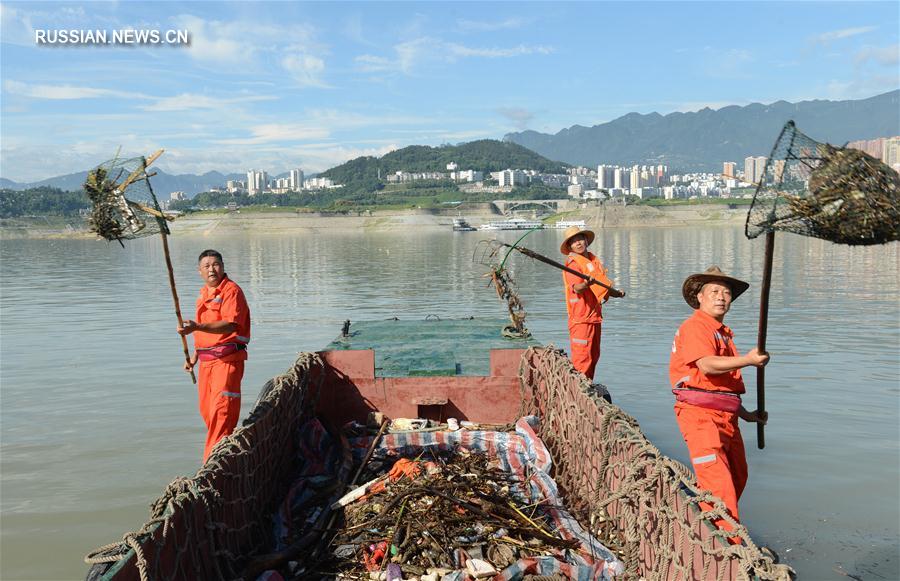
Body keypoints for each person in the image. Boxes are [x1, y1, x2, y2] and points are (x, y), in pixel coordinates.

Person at [669, 266, 768, 531]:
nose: (722, 297)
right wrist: (748, 360)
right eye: (714, 291)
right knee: (718, 486)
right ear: (700, 297)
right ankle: (731, 550)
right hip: (701, 419)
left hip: (727, 418)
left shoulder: (721, 331)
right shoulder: (695, 327)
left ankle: (713, 526)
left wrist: (747, 414)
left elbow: (720, 386)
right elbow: (708, 366)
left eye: (726, 293)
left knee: (738, 476)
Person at [178, 249, 251, 460]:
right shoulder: (203, 294)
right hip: (206, 364)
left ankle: (211, 466)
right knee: (208, 414)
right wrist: (194, 356)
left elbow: (229, 325)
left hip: (226, 361)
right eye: (207, 266)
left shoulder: (231, 291)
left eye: (216, 264)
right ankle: (224, 457)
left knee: (222, 413)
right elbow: (202, 333)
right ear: (199, 271)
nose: (212, 269)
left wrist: (197, 326)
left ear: (223, 266)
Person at [560, 226, 613, 381]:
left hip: (594, 316)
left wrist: (614, 293)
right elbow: (577, 288)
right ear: (570, 246)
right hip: (580, 319)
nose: (578, 243)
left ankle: (587, 386)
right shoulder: (573, 265)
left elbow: (603, 287)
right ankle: (578, 394)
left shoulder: (593, 261)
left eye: (580, 239)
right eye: (574, 241)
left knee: (594, 356)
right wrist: (586, 284)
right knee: (582, 359)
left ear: (586, 241)